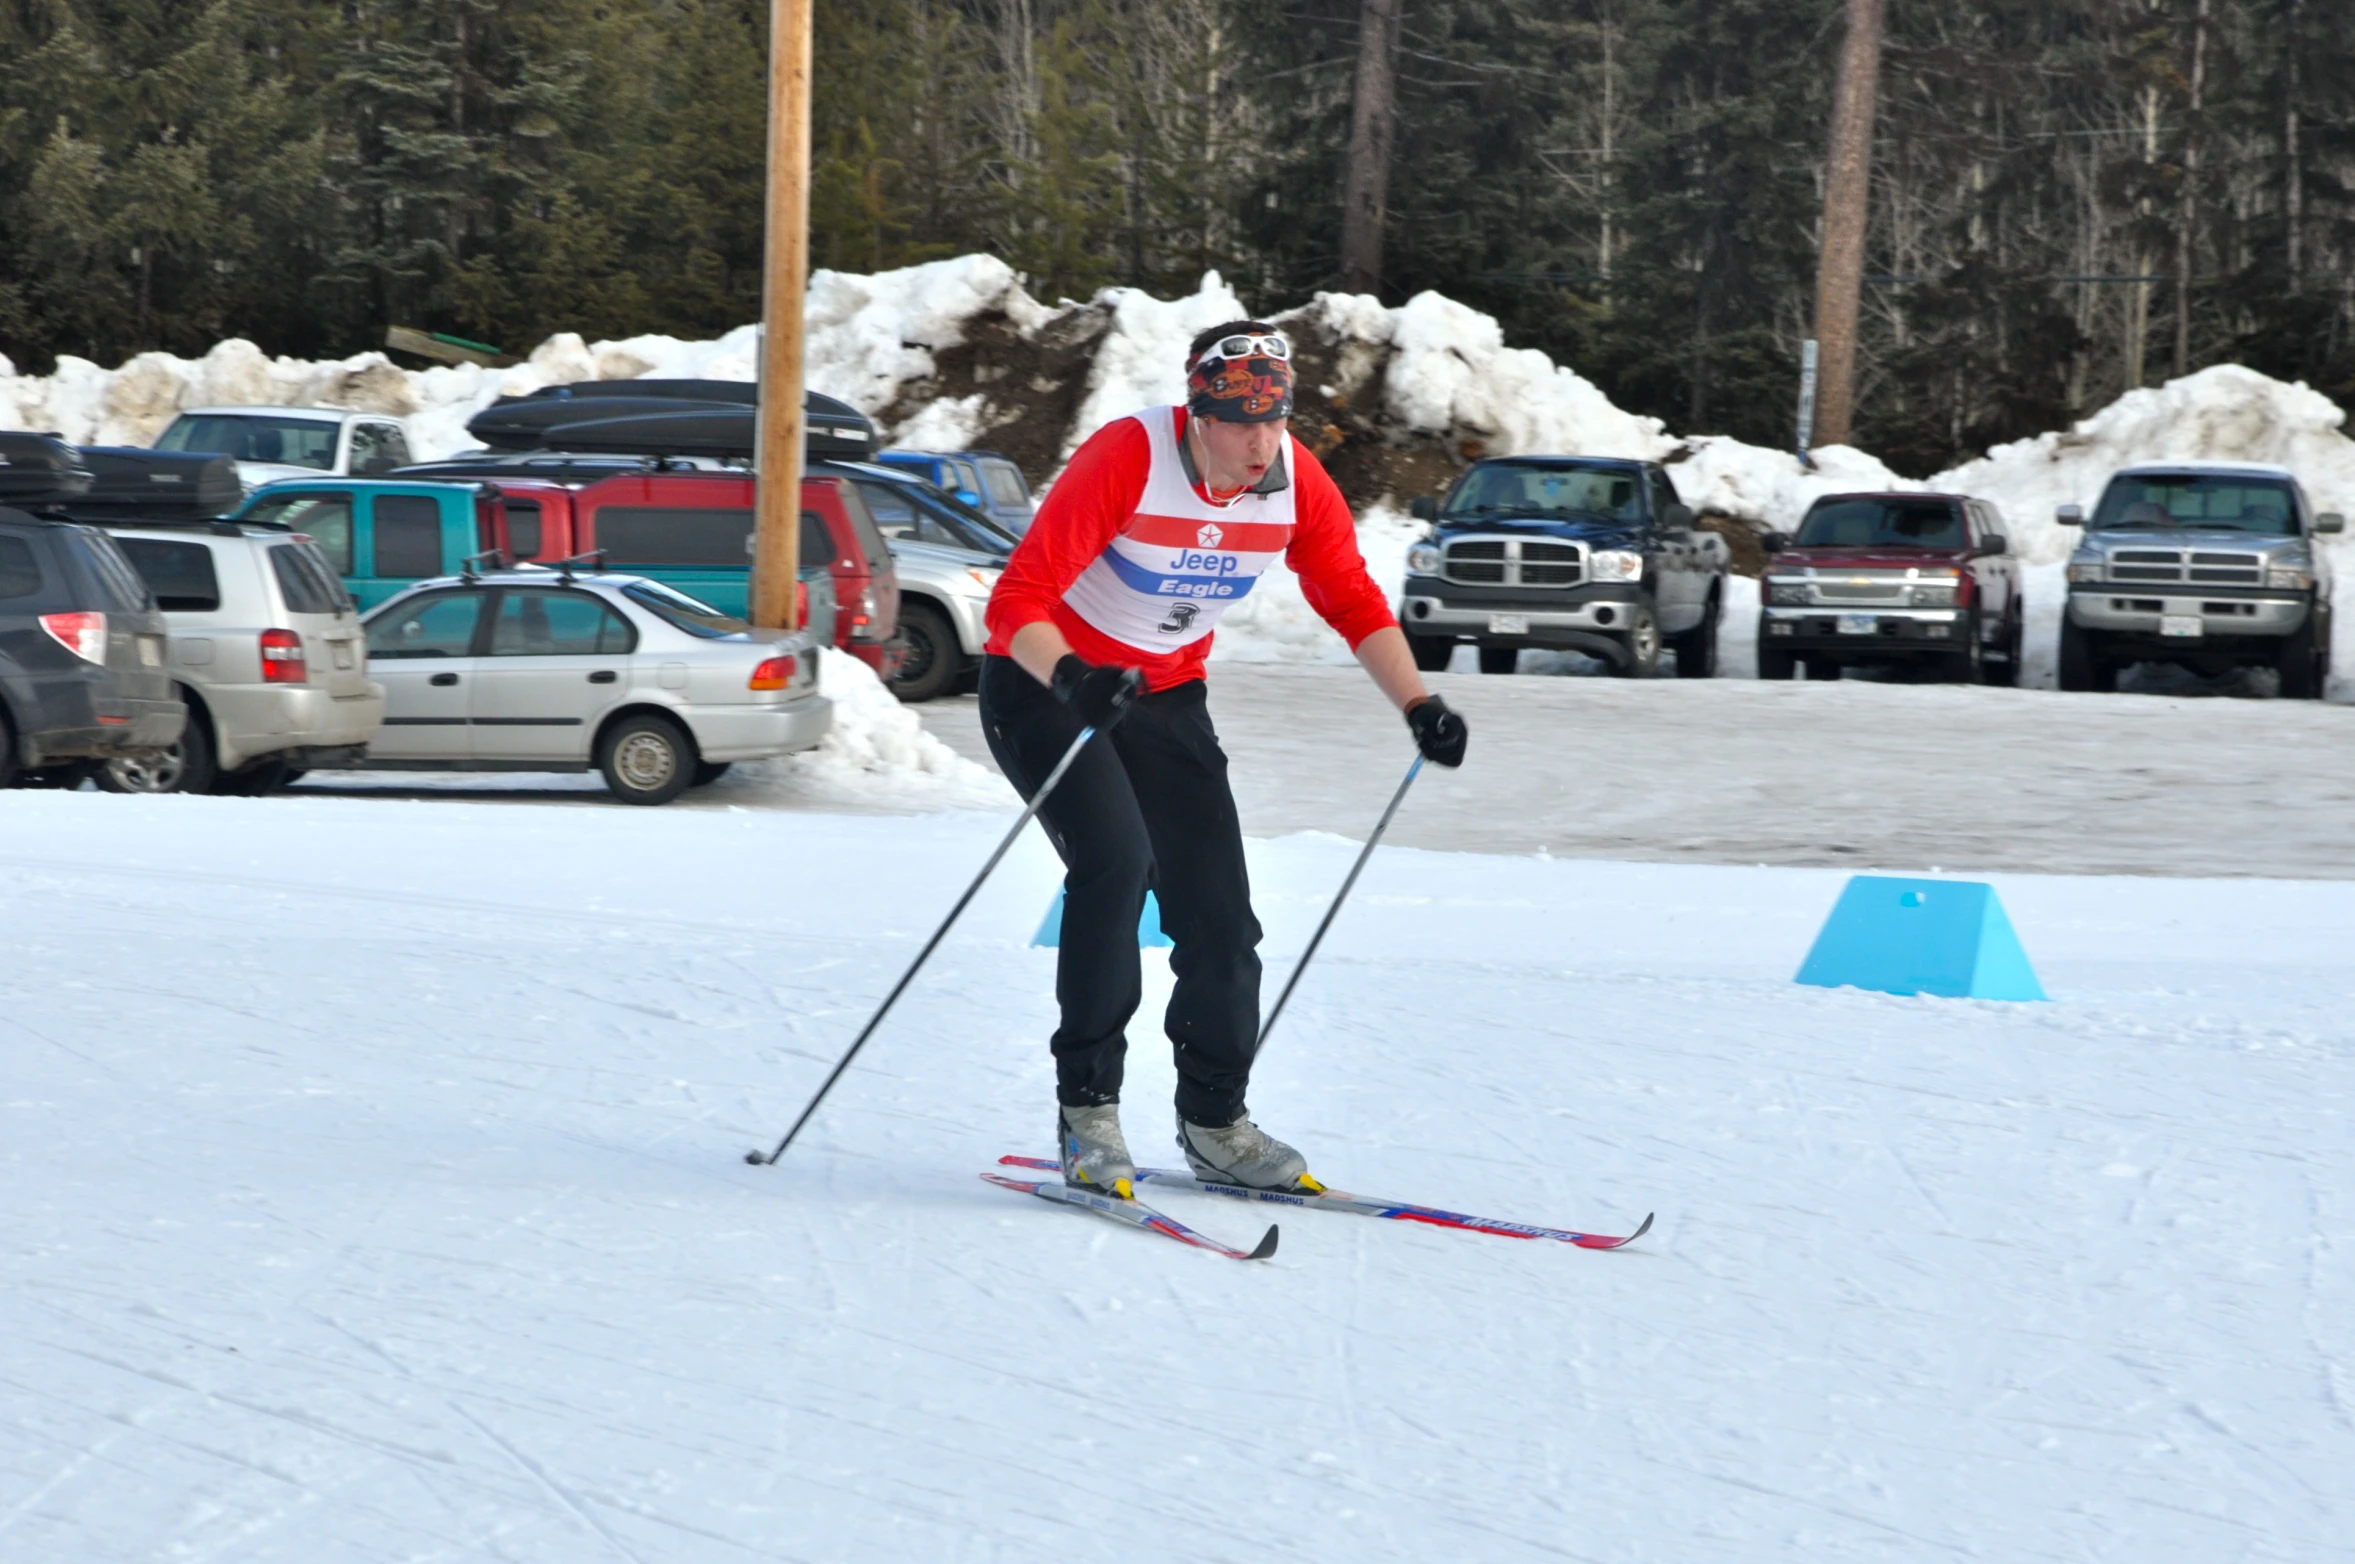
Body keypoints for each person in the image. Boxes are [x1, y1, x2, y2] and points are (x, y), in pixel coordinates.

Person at [979, 319, 1470, 1198]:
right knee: (1116, 865)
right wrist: (1073, 677)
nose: (1257, 441)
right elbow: (1015, 602)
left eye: (1273, 419)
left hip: (1164, 702)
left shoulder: (1293, 483)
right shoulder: (1126, 456)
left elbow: (1351, 599)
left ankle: (1215, 1124)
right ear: (1194, 415)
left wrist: (1418, 705)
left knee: (1219, 917)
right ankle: (1087, 1114)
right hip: (1051, 690)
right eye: (1237, 421)